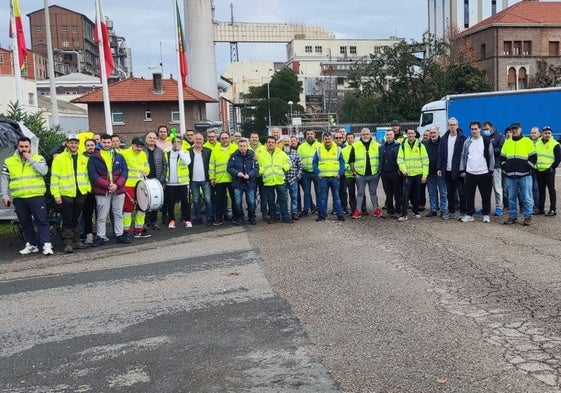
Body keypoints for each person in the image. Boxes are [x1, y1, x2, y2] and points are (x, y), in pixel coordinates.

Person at [1, 136, 53, 255]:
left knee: (42, 220)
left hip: (36, 195)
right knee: (25, 222)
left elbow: (44, 171)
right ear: (17, 146)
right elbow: (4, 178)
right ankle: (31, 244)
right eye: (21, 146)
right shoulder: (9, 161)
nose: (24, 149)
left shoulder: (38, 158)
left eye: (26, 146)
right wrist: (5, 195)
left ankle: (46, 245)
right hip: (19, 197)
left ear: (30, 147)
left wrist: (31, 160)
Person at [50, 134, 91, 253]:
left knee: (76, 218)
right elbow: (54, 178)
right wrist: (56, 195)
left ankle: (77, 240)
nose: (73, 145)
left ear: (79, 144)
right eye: (71, 142)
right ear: (66, 144)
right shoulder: (59, 158)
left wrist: (87, 188)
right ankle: (68, 242)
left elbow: (87, 176)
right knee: (67, 218)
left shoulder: (84, 158)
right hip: (66, 193)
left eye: (76, 143)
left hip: (80, 193)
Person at [88, 133, 130, 246]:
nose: (106, 144)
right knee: (102, 215)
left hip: (118, 189)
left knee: (118, 213)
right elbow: (93, 175)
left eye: (108, 142)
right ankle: (101, 236)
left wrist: (117, 185)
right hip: (103, 190)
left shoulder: (119, 156)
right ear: (100, 142)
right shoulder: (94, 157)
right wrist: (108, 185)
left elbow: (125, 172)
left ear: (112, 143)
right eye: (104, 142)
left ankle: (119, 235)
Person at [501, 122, 537, 226]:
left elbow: (533, 157)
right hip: (510, 176)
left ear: (520, 129)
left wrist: (527, 167)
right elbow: (502, 158)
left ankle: (528, 217)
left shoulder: (527, 141)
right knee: (511, 198)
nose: (514, 130)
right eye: (512, 129)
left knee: (526, 197)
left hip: (525, 176)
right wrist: (506, 168)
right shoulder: (507, 142)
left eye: (516, 129)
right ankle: (513, 217)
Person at [459, 121, 495, 223]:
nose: (474, 131)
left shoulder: (486, 141)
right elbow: (463, 156)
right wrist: (462, 170)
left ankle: (486, 214)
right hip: (470, 173)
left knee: (486, 195)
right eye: (472, 129)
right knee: (469, 195)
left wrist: (490, 170)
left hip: (484, 172)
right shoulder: (467, 141)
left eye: (475, 129)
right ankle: (469, 214)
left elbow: (491, 156)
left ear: (480, 129)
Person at [348, 127, 382, 218]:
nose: (365, 136)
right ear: (360, 135)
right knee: (360, 193)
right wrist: (354, 172)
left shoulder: (376, 145)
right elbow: (351, 160)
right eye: (363, 134)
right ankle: (358, 211)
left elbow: (381, 159)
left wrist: (379, 171)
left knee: (373, 192)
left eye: (367, 134)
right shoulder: (355, 146)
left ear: (370, 134)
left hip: (374, 174)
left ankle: (376, 210)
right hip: (360, 175)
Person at [121, 136, 151, 238]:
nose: (139, 149)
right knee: (128, 210)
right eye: (137, 146)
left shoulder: (143, 154)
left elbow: (147, 167)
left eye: (141, 147)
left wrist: (146, 171)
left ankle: (138, 230)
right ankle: (125, 231)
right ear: (132, 145)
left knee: (142, 208)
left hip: (141, 185)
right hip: (129, 185)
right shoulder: (124, 153)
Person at [258, 136, 292, 224]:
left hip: (279, 180)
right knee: (270, 200)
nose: (271, 144)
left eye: (272, 142)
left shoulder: (281, 153)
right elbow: (257, 165)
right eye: (269, 142)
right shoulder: (261, 154)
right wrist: (262, 172)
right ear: (266, 144)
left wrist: (284, 168)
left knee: (283, 199)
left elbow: (288, 162)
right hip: (268, 181)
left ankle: (285, 216)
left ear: (275, 144)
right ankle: (273, 217)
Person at [438, 117, 467, 219]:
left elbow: (466, 155)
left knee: (462, 192)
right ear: (448, 126)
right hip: (447, 170)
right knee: (450, 193)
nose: (452, 127)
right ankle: (451, 211)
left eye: (454, 125)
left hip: (459, 171)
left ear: (457, 126)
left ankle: (464, 212)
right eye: (451, 125)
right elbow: (440, 154)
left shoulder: (463, 139)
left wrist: (464, 169)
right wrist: (439, 168)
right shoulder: (443, 139)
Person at [397, 128, 429, 221]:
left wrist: (424, 175)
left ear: (415, 134)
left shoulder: (420, 146)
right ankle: (404, 214)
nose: (410, 135)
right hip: (407, 174)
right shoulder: (402, 146)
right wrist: (403, 169)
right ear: (407, 134)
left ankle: (416, 212)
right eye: (409, 133)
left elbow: (425, 161)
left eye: (412, 133)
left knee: (417, 194)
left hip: (418, 174)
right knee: (405, 194)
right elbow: (400, 159)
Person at [313, 132, 345, 221]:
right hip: (323, 178)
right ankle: (322, 215)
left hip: (335, 177)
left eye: (329, 139)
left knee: (336, 197)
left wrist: (340, 173)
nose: (327, 141)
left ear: (332, 139)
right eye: (325, 139)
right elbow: (314, 162)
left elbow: (342, 162)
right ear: (323, 140)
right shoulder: (319, 149)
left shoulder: (338, 149)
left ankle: (339, 214)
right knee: (323, 197)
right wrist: (317, 172)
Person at [227, 139, 258, 225]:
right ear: (238, 146)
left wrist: (250, 175)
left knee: (251, 202)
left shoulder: (252, 155)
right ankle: (240, 218)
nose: (242, 148)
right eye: (240, 146)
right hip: (238, 183)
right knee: (238, 202)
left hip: (250, 183)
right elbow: (229, 168)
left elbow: (256, 168)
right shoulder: (233, 156)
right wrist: (237, 173)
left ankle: (252, 218)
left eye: (244, 146)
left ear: (247, 146)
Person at [209, 131, 237, 225]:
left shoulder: (235, 148)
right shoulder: (215, 149)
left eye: (226, 138)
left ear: (229, 138)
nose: (224, 140)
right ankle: (218, 218)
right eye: (222, 138)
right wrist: (212, 177)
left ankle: (236, 217)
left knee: (235, 199)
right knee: (219, 200)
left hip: (232, 178)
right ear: (219, 139)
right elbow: (212, 165)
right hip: (219, 178)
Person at [164, 135, 192, 228]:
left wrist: (180, 151)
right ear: (172, 143)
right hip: (170, 183)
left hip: (183, 182)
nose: (177, 144)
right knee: (170, 202)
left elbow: (188, 162)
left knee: (185, 202)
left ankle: (187, 220)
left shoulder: (185, 152)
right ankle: (172, 220)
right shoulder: (166, 152)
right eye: (176, 142)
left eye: (179, 142)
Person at [534, 126, 561, 216]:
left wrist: (552, 167)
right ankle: (541, 209)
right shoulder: (537, 143)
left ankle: (553, 210)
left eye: (549, 133)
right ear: (542, 134)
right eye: (545, 133)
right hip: (539, 170)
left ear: (551, 134)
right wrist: (536, 166)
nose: (547, 135)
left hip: (549, 171)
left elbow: (558, 159)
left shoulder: (555, 144)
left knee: (551, 190)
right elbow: (535, 156)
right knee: (541, 190)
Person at [144, 131, 167, 229]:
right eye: (150, 138)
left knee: (155, 202)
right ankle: (145, 222)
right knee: (145, 202)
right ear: (146, 139)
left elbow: (164, 165)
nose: (152, 140)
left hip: (157, 181)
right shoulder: (142, 151)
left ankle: (154, 222)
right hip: (145, 181)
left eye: (154, 138)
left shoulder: (160, 151)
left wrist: (161, 179)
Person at [189, 133, 213, 225]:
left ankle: (209, 217)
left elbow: (211, 165)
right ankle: (198, 217)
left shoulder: (208, 151)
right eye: (197, 139)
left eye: (200, 139)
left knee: (208, 199)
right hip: (193, 180)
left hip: (205, 179)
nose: (198, 141)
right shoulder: (188, 151)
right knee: (195, 200)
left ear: (203, 141)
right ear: (193, 140)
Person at [423, 127, 448, 218]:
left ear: (438, 132)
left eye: (434, 132)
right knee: (431, 192)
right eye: (431, 133)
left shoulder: (443, 143)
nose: (433, 134)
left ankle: (443, 210)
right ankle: (433, 209)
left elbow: (445, 157)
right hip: (430, 172)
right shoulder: (425, 144)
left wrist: (441, 168)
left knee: (443, 192)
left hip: (440, 172)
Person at [482, 121, 505, 216]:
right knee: (485, 189)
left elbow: (501, 150)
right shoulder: (483, 138)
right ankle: (485, 207)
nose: (485, 131)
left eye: (487, 129)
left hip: (496, 166)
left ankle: (499, 207)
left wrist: (489, 151)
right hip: (484, 167)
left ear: (492, 128)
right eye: (483, 129)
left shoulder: (499, 137)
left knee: (497, 188)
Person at [379, 129, 402, 218]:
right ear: (386, 136)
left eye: (390, 134)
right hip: (385, 173)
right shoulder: (382, 147)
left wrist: (399, 171)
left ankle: (398, 211)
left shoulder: (398, 146)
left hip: (395, 172)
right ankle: (390, 211)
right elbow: (380, 159)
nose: (389, 136)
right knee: (388, 193)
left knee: (397, 193)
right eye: (387, 134)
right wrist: (380, 171)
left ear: (393, 136)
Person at [297, 130, 320, 217]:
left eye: (311, 134)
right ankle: (305, 210)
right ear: (305, 136)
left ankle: (320, 209)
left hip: (316, 172)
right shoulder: (301, 147)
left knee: (319, 192)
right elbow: (298, 160)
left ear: (314, 135)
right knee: (306, 192)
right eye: (308, 134)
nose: (310, 135)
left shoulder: (319, 146)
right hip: (305, 173)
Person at [81, 139, 97, 244]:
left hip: (99, 188)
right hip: (87, 190)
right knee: (87, 213)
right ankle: (89, 233)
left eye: (92, 145)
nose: (90, 147)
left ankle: (101, 233)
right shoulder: (81, 157)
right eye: (88, 145)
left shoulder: (99, 156)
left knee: (100, 213)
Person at [283, 136, 302, 221]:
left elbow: (300, 166)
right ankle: (284, 212)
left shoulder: (296, 153)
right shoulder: (279, 153)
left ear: (291, 143)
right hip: (282, 180)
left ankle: (294, 213)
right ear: (283, 143)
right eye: (285, 141)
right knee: (283, 197)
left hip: (293, 179)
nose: (287, 143)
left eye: (288, 141)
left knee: (294, 197)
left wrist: (297, 177)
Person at [333, 129, 349, 214]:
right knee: (335, 192)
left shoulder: (346, 148)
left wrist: (342, 170)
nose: (338, 139)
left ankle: (344, 207)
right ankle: (335, 208)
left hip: (343, 173)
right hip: (333, 173)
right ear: (334, 139)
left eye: (340, 137)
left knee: (343, 191)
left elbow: (348, 161)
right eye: (336, 138)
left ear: (343, 138)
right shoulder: (331, 148)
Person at [530, 126, 541, 210]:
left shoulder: (541, 142)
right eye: (532, 133)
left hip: (538, 168)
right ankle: (533, 205)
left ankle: (537, 205)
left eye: (535, 133)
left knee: (536, 187)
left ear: (539, 134)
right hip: (530, 168)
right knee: (530, 187)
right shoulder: (529, 142)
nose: (533, 134)